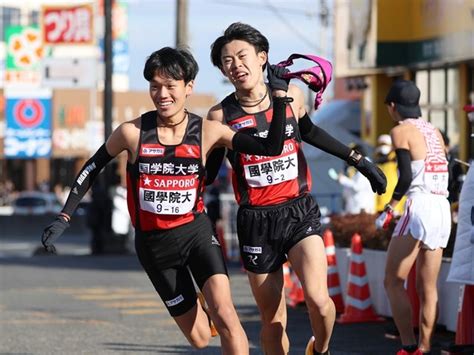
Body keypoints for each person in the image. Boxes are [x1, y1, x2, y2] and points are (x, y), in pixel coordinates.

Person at [41, 46, 292, 354]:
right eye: (155, 86)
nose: (162, 94)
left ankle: (214, 306)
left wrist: (279, 99)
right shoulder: (132, 132)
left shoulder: (209, 131)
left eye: (170, 86)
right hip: (154, 246)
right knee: (200, 338)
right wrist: (64, 216)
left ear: (188, 87)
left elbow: (270, 148)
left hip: (196, 234)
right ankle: (204, 309)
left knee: (227, 316)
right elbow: (92, 167)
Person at [207, 22, 386, 355]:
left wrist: (360, 161)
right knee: (273, 321)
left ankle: (321, 349)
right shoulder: (220, 116)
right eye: (227, 61)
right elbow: (206, 176)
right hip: (255, 221)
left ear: (263, 58)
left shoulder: (293, 96)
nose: (235, 65)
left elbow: (312, 133)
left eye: (242, 55)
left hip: (297, 210)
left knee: (320, 302)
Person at [376, 80, 451, 355]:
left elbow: (405, 176)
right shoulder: (434, 131)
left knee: (393, 280)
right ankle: (425, 346)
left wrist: (390, 206)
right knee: (427, 286)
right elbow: (449, 170)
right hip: (441, 206)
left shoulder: (400, 131)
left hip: (419, 206)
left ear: (393, 107)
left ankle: (407, 345)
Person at [328, 144, 375, 214]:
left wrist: (343, 179)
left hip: (361, 209)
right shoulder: (362, 166)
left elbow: (358, 186)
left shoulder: (365, 166)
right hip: (356, 208)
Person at [374, 134, 406, 215]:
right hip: (380, 203)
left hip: (394, 204)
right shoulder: (377, 160)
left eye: (385, 144)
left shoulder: (397, 160)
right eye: (381, 144)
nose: (382, 147)